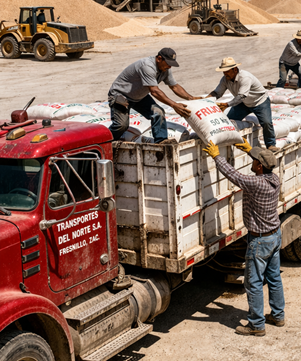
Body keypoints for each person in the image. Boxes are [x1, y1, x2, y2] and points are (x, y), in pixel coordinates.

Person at [203, 139, 285, 336]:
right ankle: (278, 315)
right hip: (274, 235)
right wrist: (250, 151)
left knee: (254, 283)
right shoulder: (274, 179)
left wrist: (216, 156)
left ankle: (257, 325)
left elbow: (233, 175)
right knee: (274, 278)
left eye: (255, 159)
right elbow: (259, 166)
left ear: (258, 166)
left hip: (260, 241)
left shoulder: (255, 183)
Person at [108, 48, 195, 143]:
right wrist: (174, 105)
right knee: (121, 125)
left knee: (158, 112)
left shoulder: (165, 68)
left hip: (139, 97)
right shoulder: (147, 66)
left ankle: (161, 141)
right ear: (159, 59)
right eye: (168, 63)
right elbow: (154, 91)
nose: (170, 67)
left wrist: (191, 98)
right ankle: (104, 142)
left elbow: (174, 87)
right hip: (121, 95)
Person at [208, 57, 277, 150]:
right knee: (229, 121)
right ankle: (230, 141)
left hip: (259, 101)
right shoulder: (225, 79)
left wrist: (227, 105)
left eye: (227, 71)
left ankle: (271, 145)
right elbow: (217, 93)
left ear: (235, 69)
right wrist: (206, 100)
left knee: (266, 122)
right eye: (223, 71)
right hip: (244, 103)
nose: (225, 74)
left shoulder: (244, 77)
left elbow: (241, 96)